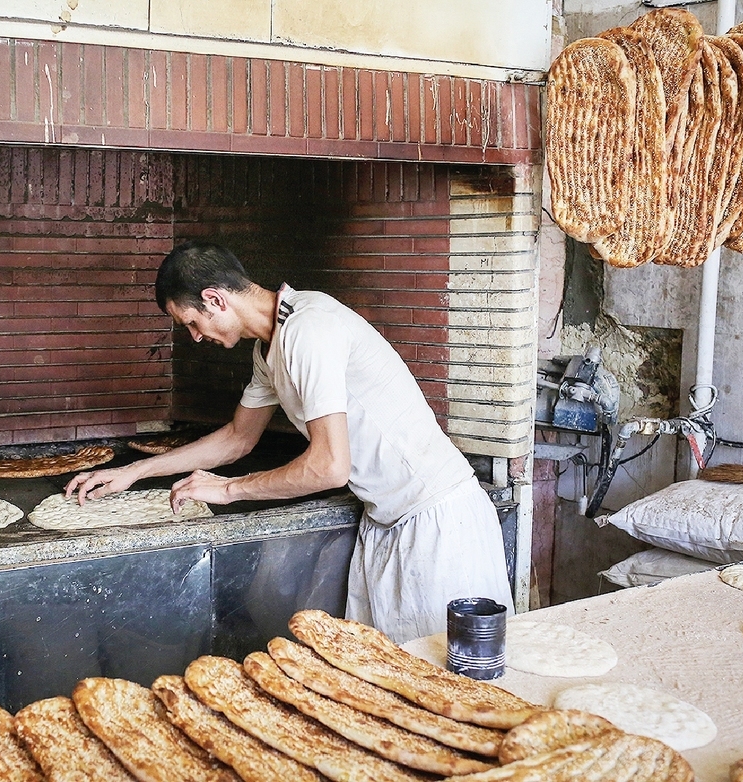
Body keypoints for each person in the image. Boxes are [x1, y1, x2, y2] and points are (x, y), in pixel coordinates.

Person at [65, 240, 513, 642]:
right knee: (388, 692)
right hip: (388, 522)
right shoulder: (271, 347)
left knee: (451, 690)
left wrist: (227, 489)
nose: (195, 336)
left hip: (436, 524)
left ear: (215, 299)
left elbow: (329, 466)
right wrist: (133, 472)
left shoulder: (309, 330)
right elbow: (238, 439)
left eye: (191, 322)